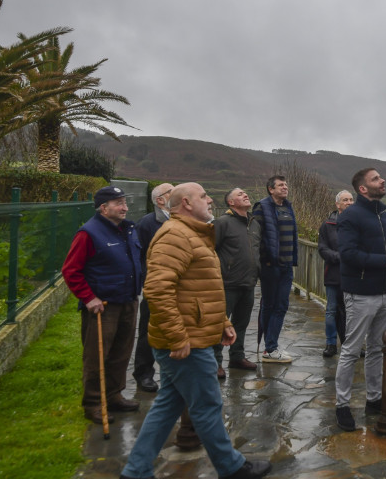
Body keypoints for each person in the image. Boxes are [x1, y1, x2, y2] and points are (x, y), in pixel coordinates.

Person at [120, 183, 271, 479]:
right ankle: (232, 467)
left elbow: (203, 290)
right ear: (186, 203)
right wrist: (177, 337)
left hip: (197, 334)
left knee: (167, 406)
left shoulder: (194, 234)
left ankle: (136, 470)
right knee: (207, 404)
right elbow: (157, 290)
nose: (210, 199)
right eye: (204, 196)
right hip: (187, 341)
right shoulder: (175, 235)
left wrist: (222, 324)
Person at [62, 186, 142, 425]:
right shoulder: (88, 233)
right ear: (103, 207)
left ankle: (114, 394)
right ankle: (94, 403)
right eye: (119, 203)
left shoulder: (128, 230)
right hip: (103, 307)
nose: (125, 207)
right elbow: (70, 270)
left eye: (125, 202)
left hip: (128, 300)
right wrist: (88, 298)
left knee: (121, 353)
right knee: (97, 356)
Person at [334, 168, 386, 432]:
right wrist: (384, 261)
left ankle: (374, 399)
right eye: (375, 179)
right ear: (362, 188)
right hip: (360, 294)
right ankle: (342, 405)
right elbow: (348, 254)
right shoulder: (350, 216)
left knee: (377, 349)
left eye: (381, 177)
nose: (382, 180)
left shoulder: (384, 216)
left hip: (385, 292)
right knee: (352, 350)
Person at [213, 187, 260, 377]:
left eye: (245, 193)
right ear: (230, 202)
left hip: (248, 283)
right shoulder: (222, 223)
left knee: (241, 323)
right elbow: (210, 250)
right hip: (227, 283)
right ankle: (216, 363)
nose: (245, 195)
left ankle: (237, 356)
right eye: (240, 194)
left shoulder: (254, 223)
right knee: (219, 326)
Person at [251, 175, 298, 363]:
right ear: (271, 189)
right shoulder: (261, 207)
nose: (285, 187)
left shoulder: (288, 206)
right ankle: (270, 348)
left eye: (286, 184)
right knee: (269, 305)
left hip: (286, 266)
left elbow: (293, 235)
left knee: (282, 305)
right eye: (281, 185)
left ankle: (271, 346)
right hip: (270, 266)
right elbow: (255, 237)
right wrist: (266, 260)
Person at [132, 182, 173, 392]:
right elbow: (138, 256)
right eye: (171, 192)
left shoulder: (182, 221)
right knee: (148, 331)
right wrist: (148, 280)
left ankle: (172, 374)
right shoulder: (147, 223)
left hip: (176, 288)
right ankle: (143, 374)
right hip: (155, 288)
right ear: (160, 200)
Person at [317, 189, 353, 357]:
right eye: (345, 200)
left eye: (351, 199)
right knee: (332, 310)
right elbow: (322, 249)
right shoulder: (327, 225)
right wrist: (340, 257)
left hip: (352, 276)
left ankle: (350, 344)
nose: (349, 202)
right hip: (333, 273)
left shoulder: (358, 224)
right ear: (337, 204)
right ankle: (331, 343)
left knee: (351, 312)